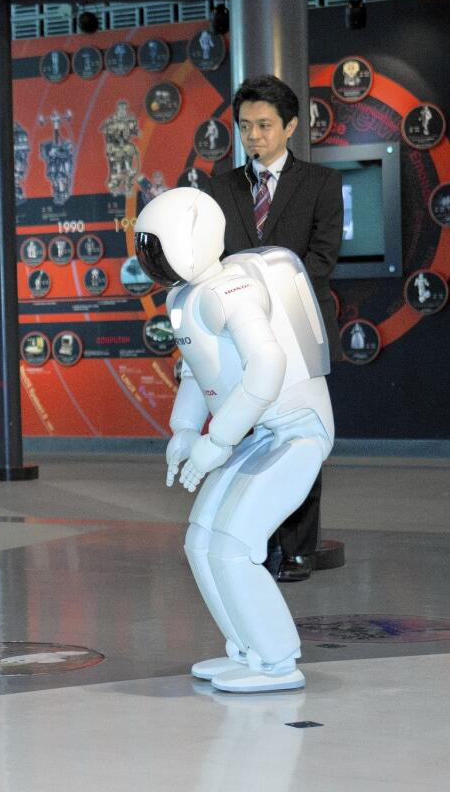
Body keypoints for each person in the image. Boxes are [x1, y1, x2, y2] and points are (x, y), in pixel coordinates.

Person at [136, 187, 335, 692]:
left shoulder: (232, 291)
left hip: (297, 432)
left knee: (232, 546)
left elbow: (268, 367)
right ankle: (247, 651)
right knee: (202, 541)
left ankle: (276, 660)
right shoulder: (184, 297)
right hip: (259, 434)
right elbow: (195, 372)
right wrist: (184, 431)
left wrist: (217, 441)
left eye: (155, 247)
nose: (150, 259)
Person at [209, 74, 343, 583]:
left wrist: (267, 299)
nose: (254, 136)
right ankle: (254, 543)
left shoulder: (321, 185)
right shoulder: (221, 188)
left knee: (299, 441)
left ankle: (299, 550)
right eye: (245, 127)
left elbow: (322, 259)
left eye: (265, 125)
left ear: (290, 126)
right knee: (246, 442)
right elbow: (213, 262)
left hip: (299, 333)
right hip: (239, 337)